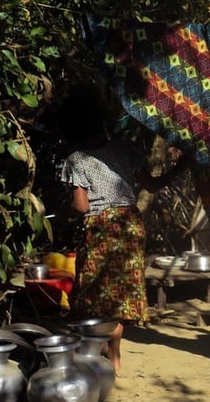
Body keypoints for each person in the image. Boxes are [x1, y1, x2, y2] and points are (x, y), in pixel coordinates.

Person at [58, 84, 189, 373]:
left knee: (93, 292)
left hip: (101, 227)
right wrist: (180, 169)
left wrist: (63, 214)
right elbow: (152, 184)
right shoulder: (122, 148)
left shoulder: (76, 160)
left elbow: (80, 207)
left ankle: (97, 354)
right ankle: (114, 358)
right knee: (120, 292)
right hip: (130, 224)